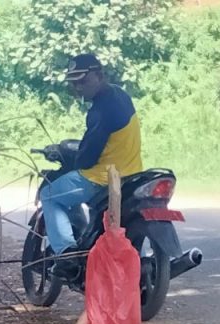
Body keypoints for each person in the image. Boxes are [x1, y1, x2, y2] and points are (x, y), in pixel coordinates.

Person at [40, 53, 144, 277]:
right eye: (74, 82)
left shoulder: (100, 111)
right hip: (131, 174)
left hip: (101, 178)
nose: (78, 87)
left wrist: (68, 157)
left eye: (83, 81)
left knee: (49, 194)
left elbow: (88, 157)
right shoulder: (120, 95)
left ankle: (66, 255)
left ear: (99, 75)